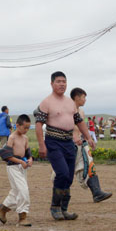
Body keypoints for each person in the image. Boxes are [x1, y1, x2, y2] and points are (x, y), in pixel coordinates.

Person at [34, 71, 94, 221]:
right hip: (53, 142)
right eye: (58, 81)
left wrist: (88, 137)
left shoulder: (69, 102)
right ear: (52, 84)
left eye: (64, 81)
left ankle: (64, 209)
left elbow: (79, 121)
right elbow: (38, 125)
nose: (62, 84)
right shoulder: (46, 102)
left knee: (68, 176)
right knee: (61, 172)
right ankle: (55, 207)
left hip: (69, 143)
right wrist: (42, 146)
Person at [64, 88, 112, 202]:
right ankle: (60, 198)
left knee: (89, 165)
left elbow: (82, 127)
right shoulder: (66, 110)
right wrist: (73, 137)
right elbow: (64, 127)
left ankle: (97, 192)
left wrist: (88, 139)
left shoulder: (81, 112)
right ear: (77, 97)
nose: (85, 100)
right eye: (84, 97)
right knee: (62, 173)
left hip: (81, 145)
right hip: (68, 145)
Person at [0, 114, 33, 227]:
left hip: (22, 167)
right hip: (13, 167)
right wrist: (20, 161)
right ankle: (22, 216)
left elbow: (28, 153)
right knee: (23, 190)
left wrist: (30, 160)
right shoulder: (12, 137)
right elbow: (7, 155)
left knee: (16, 191)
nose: (26, 130)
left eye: (28, 128)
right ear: (17, 125)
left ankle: (3, 208)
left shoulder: (25, 138)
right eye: (24, 127)